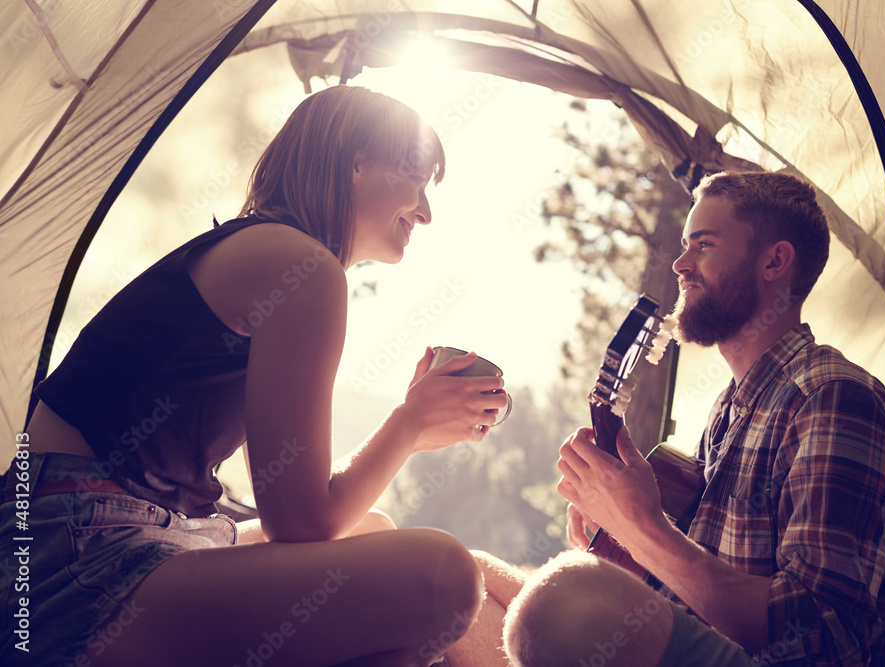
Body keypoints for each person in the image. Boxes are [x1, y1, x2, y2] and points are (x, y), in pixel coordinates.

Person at [0, 85, 512, 666]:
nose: (425, 211)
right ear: (355, 163)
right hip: (77, 554)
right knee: (442, 577)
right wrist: (409, 424)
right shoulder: (302, 267)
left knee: (374, 530)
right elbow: (300, 522)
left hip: (88, 536)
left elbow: (293, 503)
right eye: (416, 179)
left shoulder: (266, 254)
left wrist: (412, 427)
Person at [498, 171, 885, 666]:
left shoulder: (836, 401)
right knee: (481, 578)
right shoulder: (730, 408)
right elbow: (699, 587)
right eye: (684, 245)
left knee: (553, 606)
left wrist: (640, 529)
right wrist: (616, 532)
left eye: (704, 245)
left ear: (774, 261)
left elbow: (818, 641)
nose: (680, 264)